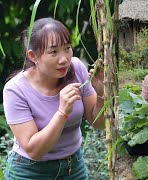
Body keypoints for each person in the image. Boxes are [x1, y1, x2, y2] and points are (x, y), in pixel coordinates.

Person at [3, 17, 105, 179]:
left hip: (74, 167)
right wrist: (62, 112)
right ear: (33, 56)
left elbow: (98, 123)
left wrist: (101, 94)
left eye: (67, 48)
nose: (64, 59)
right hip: (29, 171)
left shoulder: (77, 68)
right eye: (53, 52)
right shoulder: (15, 90)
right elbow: (33, 150)